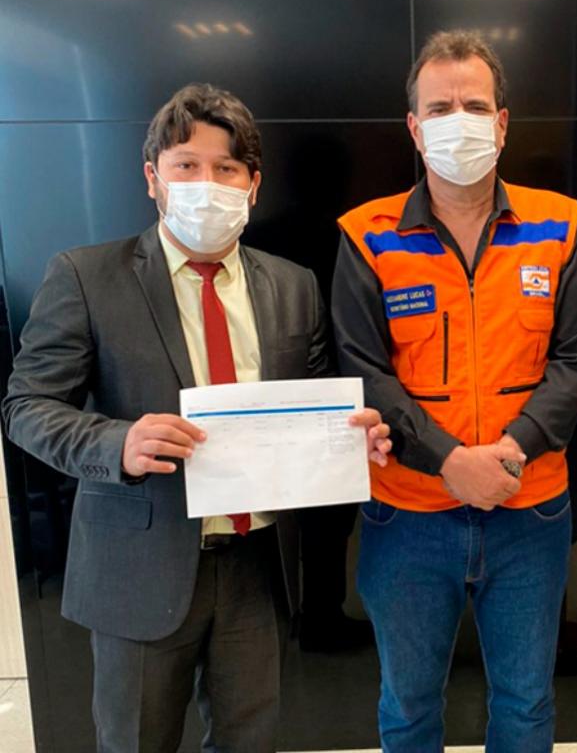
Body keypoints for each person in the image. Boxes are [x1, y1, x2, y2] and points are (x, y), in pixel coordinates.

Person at [2, 83, 390, 752]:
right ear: (153, 178)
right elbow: (25, 405)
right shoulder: (87, 277)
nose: (206, 184)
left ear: (253, 185)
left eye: (226, 168)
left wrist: (356, 434)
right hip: (139, 567)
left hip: (258, 567)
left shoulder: (293, 284)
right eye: (186, 165)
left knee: (250, 741)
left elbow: (316, 400)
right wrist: (118, 443)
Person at [332, 31, 577, 752]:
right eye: (441, 108)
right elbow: (363, 367)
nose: (460, 121)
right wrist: (450, 461)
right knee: (408, 705)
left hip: (530, 509)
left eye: (476, 106)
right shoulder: (367, 235)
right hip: (407, 515)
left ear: (503, 123)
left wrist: (510, 452)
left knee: (525, 704)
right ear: (415, 128)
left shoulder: (561, 223)